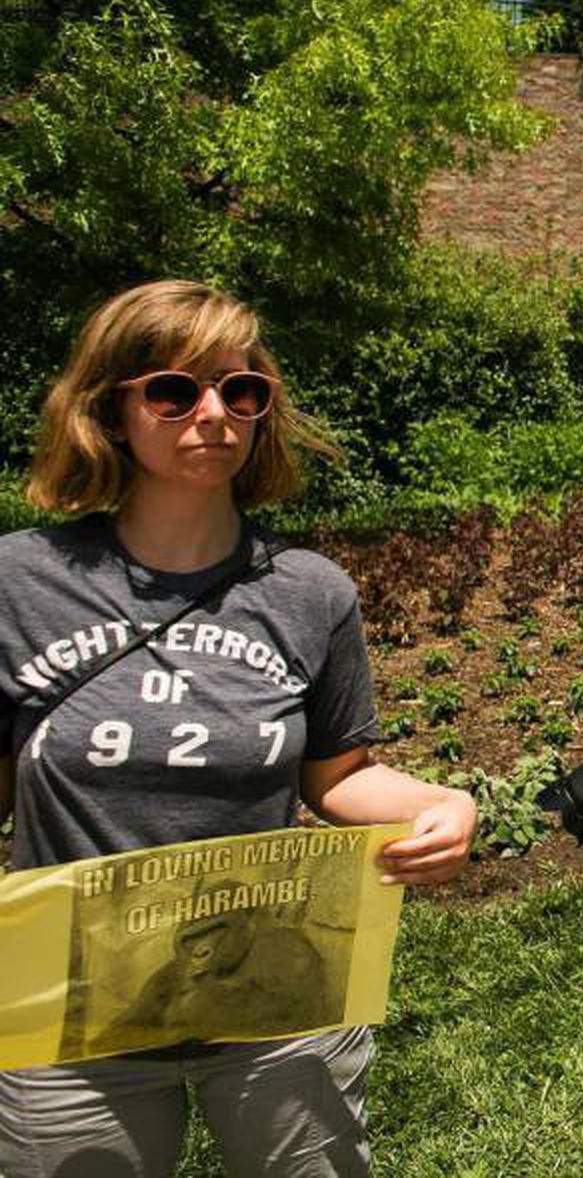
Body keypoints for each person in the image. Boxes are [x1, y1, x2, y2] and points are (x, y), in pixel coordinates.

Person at [0, 280, 479, 1176]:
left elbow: (335, 777)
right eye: (175, 391)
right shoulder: (20, 583)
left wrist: (441, 801)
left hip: (272, 989)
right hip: (72, 1000)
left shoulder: (310, 592)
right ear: (111, 408)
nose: (212, 413)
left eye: (240, 390)